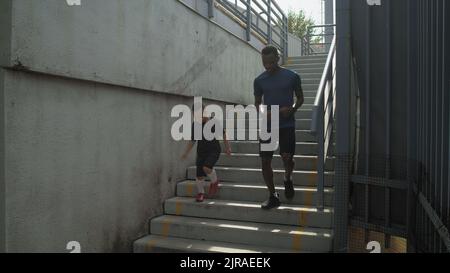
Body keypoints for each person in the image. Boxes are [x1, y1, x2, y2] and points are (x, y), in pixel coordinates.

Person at [254, 46, 304, 210]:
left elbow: (300, 98)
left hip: (287, 124)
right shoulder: (259, 80)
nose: (267, 65)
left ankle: (287, 178)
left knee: (287, 158)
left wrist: (293, 109)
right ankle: (273, 195)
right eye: (264, 62)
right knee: (265, 161)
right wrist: (263, 112)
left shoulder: (292, 76)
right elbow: (257, 104)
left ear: (278, 58)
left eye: (271, 62)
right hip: (268, 125)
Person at [181, 102, 232, 202]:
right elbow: (192, 140)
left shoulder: (213, 121)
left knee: (207, 168)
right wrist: (186, 152)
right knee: (199, 176)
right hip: (201, 152)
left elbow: (224, 134)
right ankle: (201, 193)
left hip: (214, 150)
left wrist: (228, 147)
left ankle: (215, 181)